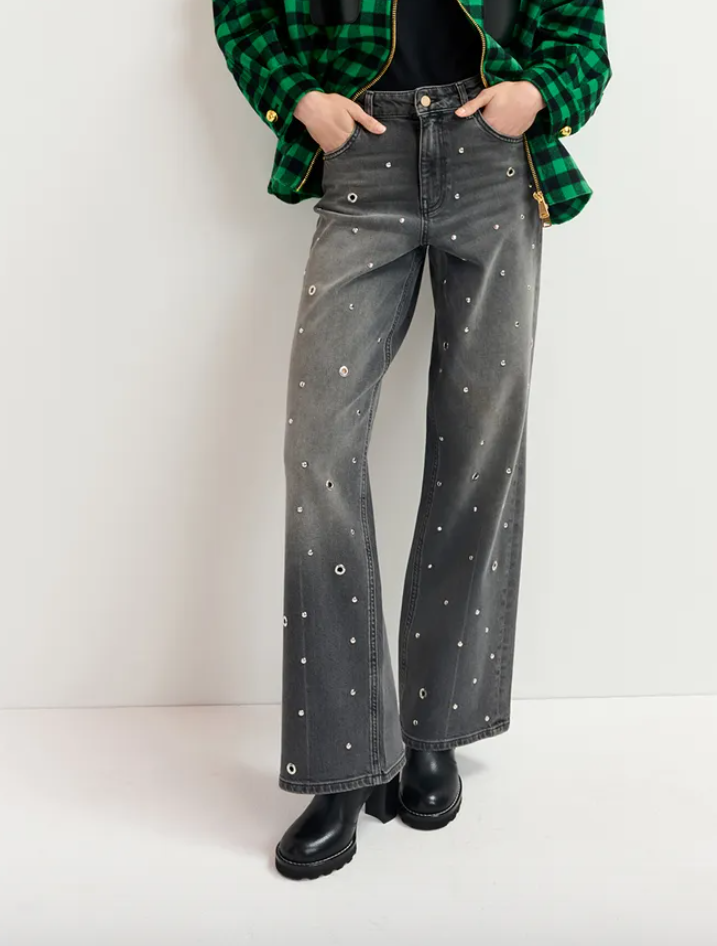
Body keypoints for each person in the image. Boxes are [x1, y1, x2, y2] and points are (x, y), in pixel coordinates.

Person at [212, 0, 611, 880]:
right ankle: (344, 763)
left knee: (478, 448)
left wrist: (539, 94)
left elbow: (580, 27)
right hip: (364, 160)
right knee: (318, 453)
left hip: (492, 160)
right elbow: (242, 12)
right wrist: (300, 99)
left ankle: (436, 728)